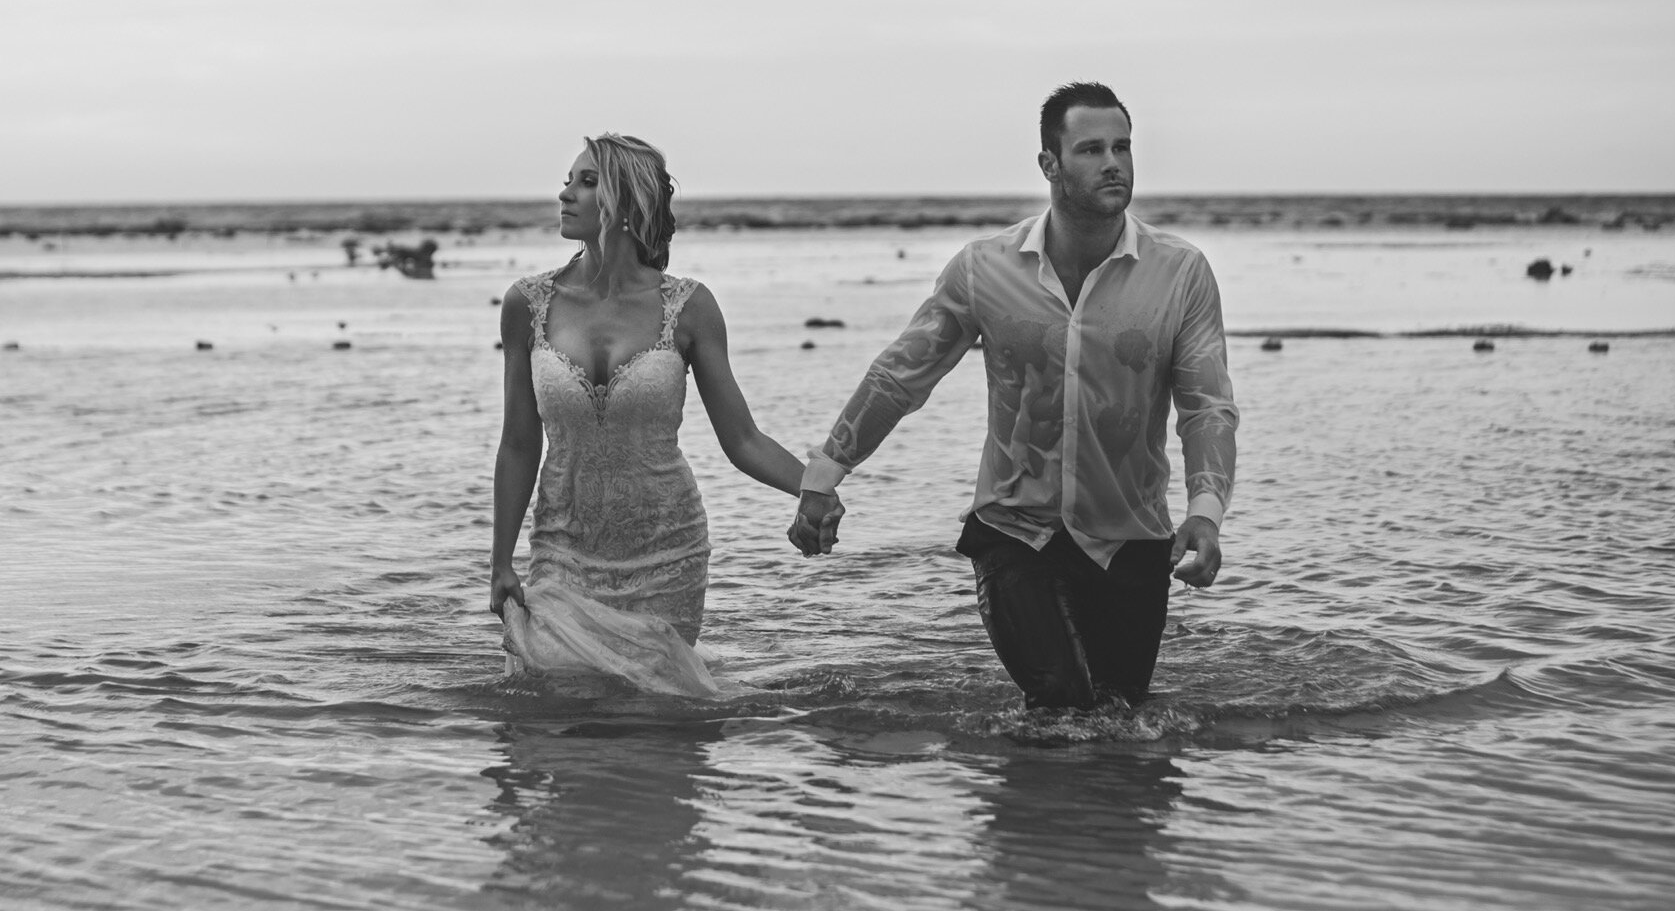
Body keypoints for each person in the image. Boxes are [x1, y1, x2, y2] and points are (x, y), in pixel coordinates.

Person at [787, 82, 1237, 710]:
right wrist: (824, 474)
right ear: (1049, 165)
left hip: (1131, 537)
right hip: (1015, 530)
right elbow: (902, 375)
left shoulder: (1181, 273)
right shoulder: (983, 269)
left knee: (1124, 724)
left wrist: (1206, 513)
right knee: (1059, 701)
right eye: (1090, 149)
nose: (1113, 163)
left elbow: (1206, 406)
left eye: (1123, 147)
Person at [491, 133, 839, 696]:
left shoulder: (689, 306)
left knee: (651, 723)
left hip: (666, 549)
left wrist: (813, 487)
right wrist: (500, 560)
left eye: (586, 181)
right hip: (562, 548)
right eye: (568, 180)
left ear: (629, 203)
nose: (565, 194)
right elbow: (518, 444)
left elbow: (743, 439)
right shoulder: (527, 304)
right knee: (555, 711)